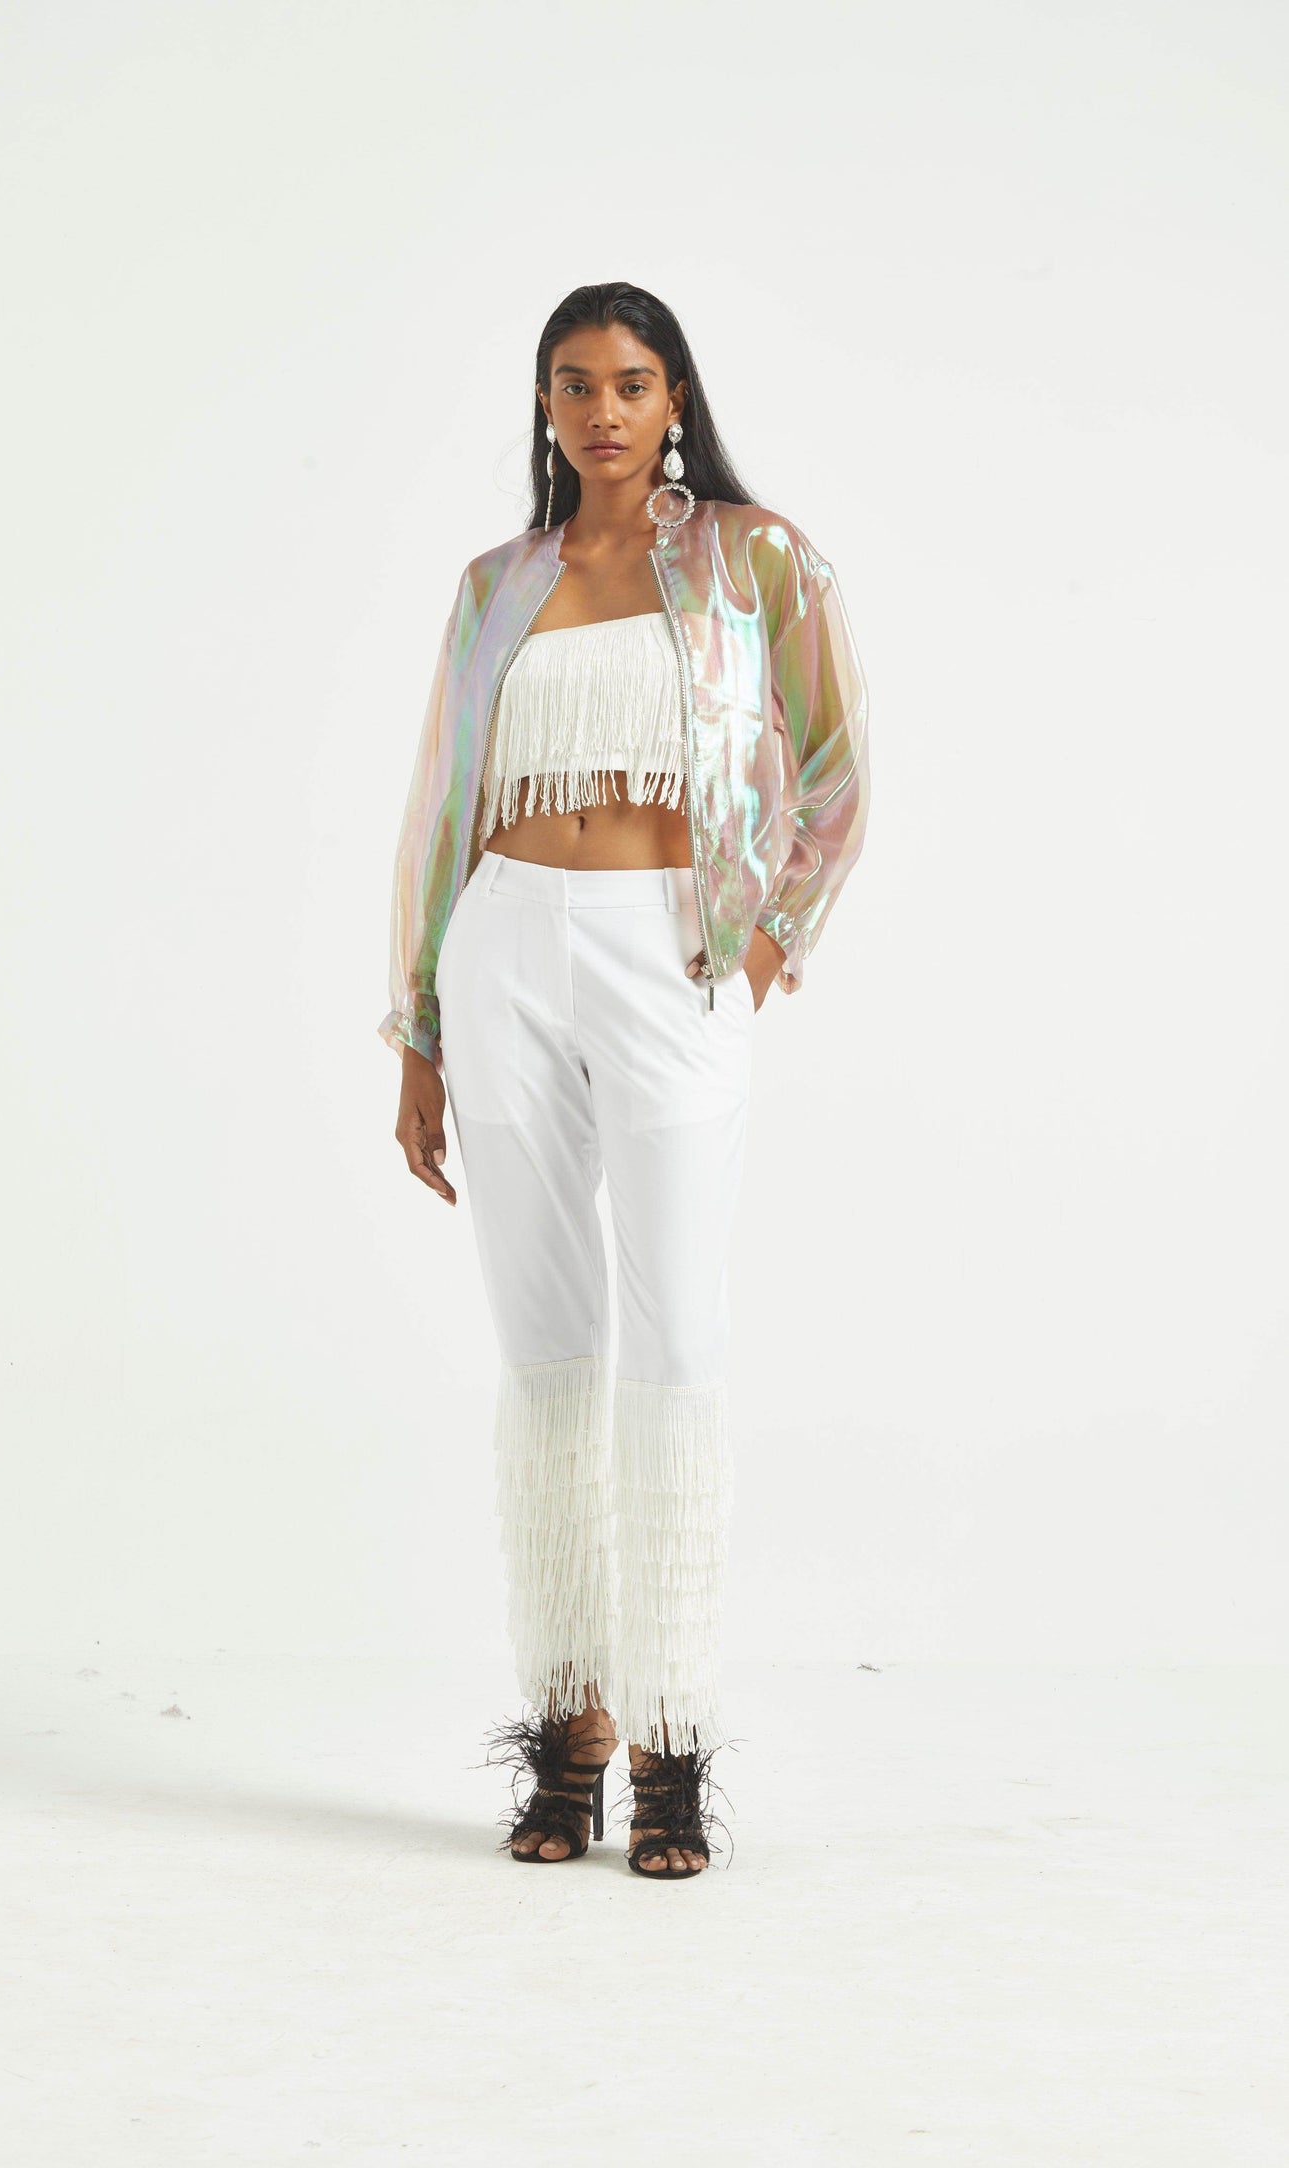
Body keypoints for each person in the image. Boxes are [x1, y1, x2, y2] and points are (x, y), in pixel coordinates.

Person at [380, 281, 870, 1879]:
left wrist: (769, 939)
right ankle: (570, 1723)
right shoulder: (495, 585)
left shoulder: (754, 559)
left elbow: (834, 765)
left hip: (671, 947)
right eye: (575, 383)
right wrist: (417, 1029)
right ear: (543, 403)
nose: (602, 410)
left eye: (632, 382)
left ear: (675, 401)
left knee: (677, 1334)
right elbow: (439, 808)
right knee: (543, 1343)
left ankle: (670, 1737)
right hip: (504, 942)